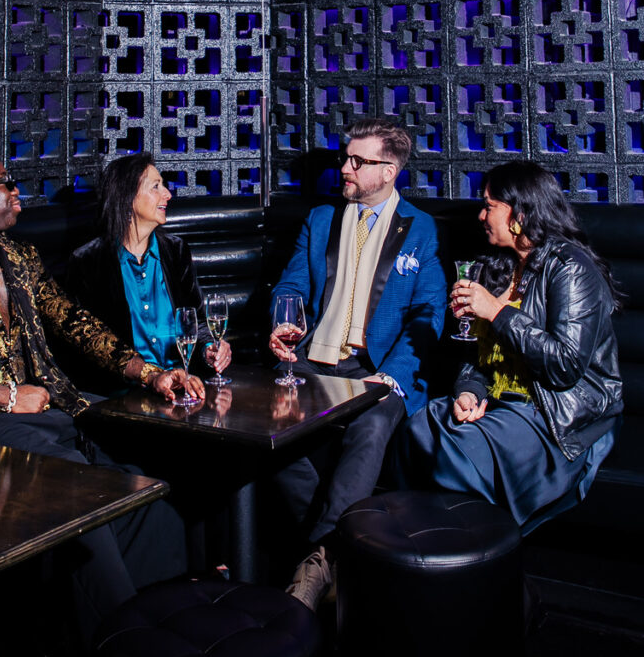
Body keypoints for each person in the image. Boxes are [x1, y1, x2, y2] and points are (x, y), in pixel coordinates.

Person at [0, 145, 203, 645]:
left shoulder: (19, 255)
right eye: (5, 184)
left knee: (143, 478)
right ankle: (117, 648)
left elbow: (76, 324)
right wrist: (4, 396)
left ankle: (167, 622)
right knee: (83, 491)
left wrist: (150, 375)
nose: (16, 193)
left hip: (46, 410)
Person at [269, 117, 447, 608]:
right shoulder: (321, 219)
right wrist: (284, 321)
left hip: (379, 369)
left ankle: (319, 560)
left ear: (388, 171)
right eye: (345, 158)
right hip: (313, 364)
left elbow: (427, 317)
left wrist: (392, 377)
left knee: (369, 430)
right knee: (271, 427)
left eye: (356, 161)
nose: (343, 168)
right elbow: (289, 286)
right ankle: (331, 549)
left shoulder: (420, 229)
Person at [397, 161, 623, 534]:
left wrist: (497, 312)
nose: (481, 215)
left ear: (520, 211)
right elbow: (479, 358)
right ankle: (424, 555)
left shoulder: (570, 268)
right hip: (505, 405)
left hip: (557, 415)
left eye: (489, 205)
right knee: (420, 426)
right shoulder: (496, 267)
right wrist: (469, 391)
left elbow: (564, 365)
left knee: (459, 446)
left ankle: (470, 559)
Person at [67, 153, 230, 382]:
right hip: (125, 393)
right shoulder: (88, 262)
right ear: (127, 198)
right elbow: (89, 344)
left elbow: (198, 323)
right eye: (156, 187)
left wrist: (210, 349)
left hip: (183, 383)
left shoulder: (176, 251)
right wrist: (148, 377)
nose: (168, 194)